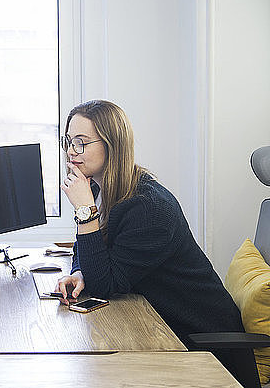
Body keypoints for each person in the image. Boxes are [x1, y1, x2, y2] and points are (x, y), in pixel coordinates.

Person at [55, 100, 244, 376]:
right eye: (69, 141)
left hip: (204, 348)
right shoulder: (103, 188)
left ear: (112, 145)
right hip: (159, 326)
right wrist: (80, 272)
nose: (72, 152)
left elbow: (105, 284)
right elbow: (86, 250)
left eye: (81, 142)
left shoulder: (150, 208)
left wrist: (85, 213)